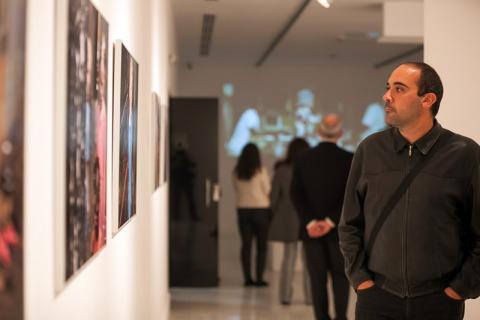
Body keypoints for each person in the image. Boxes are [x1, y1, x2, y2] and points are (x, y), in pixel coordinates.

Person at [339, 62, 480, 320]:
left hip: (439, 302)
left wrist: (460, 289)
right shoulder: (370, 150)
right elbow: (349, 224)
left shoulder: (464, 153)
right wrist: (361, 280)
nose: (387, 96)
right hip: (377, 299)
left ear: (427, 99)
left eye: (399, 89)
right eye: (388, 88)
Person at [291, 114, 353, 320]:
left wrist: (311, 222)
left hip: (311, 232)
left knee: (317, 281)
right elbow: (350, 197)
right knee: (340, 279)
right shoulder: (350, 159)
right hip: (339, 232)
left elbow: (296, 194)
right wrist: (330, 222)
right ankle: (341, 317)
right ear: (341, 133)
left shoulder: (302, 158)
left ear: (318, 132)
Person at [268, 138, 312, 305]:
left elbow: (273, 199)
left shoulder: (282, 170)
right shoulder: (310, 170)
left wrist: (275, 214)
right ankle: (310, 297)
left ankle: (285, 296)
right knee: (309, 260)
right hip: (308, 218)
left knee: (288, 258)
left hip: (288, 219)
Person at [232, 143, 271, 286]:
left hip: (243, 210)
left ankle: (247, 278)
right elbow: (267, 190)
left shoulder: (236, 172)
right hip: (261, 210)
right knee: (262, 246)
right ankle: (259, 278)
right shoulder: (261, 171)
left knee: (246, 245)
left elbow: (236, 189)